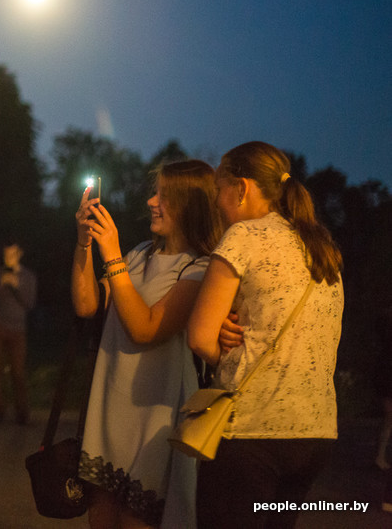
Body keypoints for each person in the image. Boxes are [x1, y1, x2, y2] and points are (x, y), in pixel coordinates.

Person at [188, 141, 343, 529]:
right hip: (316, 434)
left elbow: (199, 337)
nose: (217, 203)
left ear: (241, 188)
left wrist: (226, 350)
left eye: (219, 190)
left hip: (252, 433)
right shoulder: (321, 246)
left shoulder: (244, 236)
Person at [71, 160, 223, 528]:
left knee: (134, 520)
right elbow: (88, 305)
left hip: (155, 421)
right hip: (110, 411)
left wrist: (112, 255)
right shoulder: (139, 254)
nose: (152, 202)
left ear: (190, 206)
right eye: (155, 193)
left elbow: (145, 329)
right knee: (101, 517)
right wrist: (84, 243)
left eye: (164, 196)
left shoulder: (199, 268)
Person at [0, 242, 36, 424]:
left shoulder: (28, 277)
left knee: (18, 372)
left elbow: (29, 303)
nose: (8, 258)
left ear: (19, 254)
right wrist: (1, 286)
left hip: (18, 329)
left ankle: (22, 412)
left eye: (12, 255)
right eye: (6, 255)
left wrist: (16, 287)